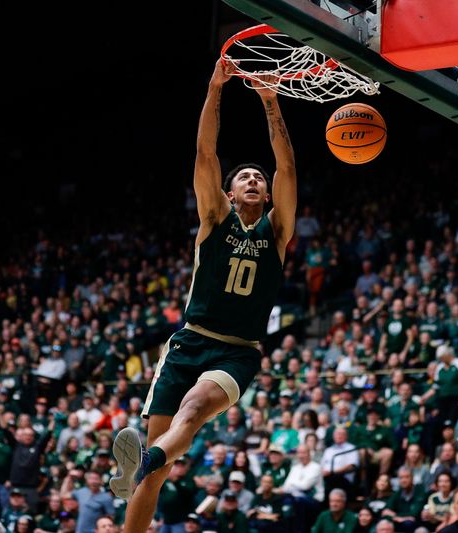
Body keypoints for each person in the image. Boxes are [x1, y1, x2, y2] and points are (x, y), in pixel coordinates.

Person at [109, 57, 297, 533]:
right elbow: (206, 155)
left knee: (192, 410)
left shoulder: (277, 232)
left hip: (236, 353)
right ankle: (146, 465)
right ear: (229, 194)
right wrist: (216, 88)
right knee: (152, 480)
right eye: (245, 178)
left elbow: (287, 166)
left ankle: (145, 459)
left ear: (269, 195)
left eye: (259, 178)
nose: (255, 179)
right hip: (188, 343)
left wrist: (271, 101)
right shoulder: (214, 219)